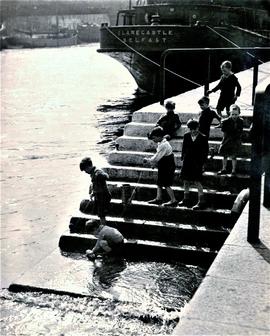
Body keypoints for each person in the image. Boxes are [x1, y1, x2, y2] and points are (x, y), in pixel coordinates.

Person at [143, 126, 177, 206]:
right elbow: (159, 156)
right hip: (164, 164)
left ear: (159, 137)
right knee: (159, 182)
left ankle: (173, 200)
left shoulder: (163, 145)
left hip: (168, 166)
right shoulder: (160, 142)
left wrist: (148, 160)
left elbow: (157, 157)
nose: (153, 140)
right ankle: (159, 198)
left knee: (166, 183)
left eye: (154, 138)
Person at [179, 119, 208, 210]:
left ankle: (201, 201)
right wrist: (182, 157)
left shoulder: (203, 137)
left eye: (195, 129)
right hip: (187, 161)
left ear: (198, 127)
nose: (193, 131)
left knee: (197, 181)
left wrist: (203, 163)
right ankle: (186, 199)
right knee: (186, 181)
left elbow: (205, 152)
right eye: (191, 129)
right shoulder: (186, 136)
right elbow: (184, 148)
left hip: (197, 162)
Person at [80, 157, 111, 226]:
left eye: (85, 170)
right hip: (99, 196)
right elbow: (95, 185)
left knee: (102, 214)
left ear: (88, 167)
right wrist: (92, 192)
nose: (85, 172)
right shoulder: (92, 173)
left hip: (103, 196)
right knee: (100, 214)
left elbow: (106, 176)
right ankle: (103, 226)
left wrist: (101, 175)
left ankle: (104, 227)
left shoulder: (97, 172)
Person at [217, 104, 243, 176]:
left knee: (234, 156)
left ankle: (233, 170)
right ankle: (224, 169)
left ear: (239, 114)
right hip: (227, 140)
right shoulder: (226, 121)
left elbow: (240, 130)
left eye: (236, 114)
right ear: (230, 114)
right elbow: (224, 130)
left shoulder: (240, 121)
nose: (234, 116)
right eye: (233, 114)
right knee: (224, 155)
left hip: (235, 140)